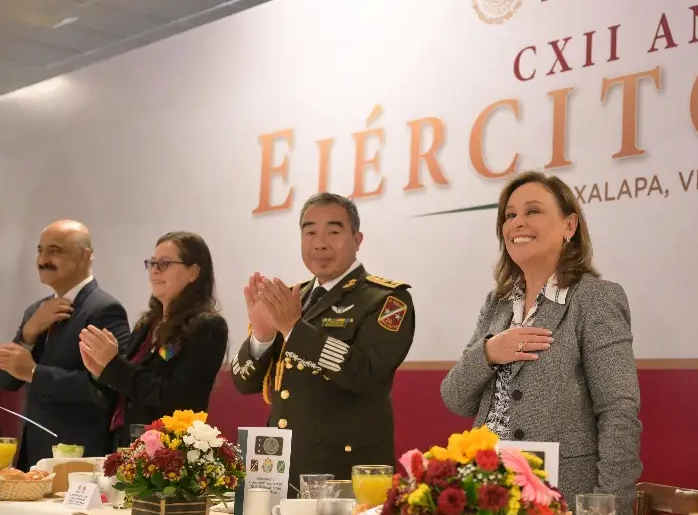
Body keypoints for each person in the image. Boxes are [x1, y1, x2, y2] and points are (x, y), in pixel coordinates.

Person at [441, 171, 642, 515]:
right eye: (509, 214)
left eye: (533, 211)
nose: (517, 222)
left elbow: (619, 414)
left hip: (561, 503)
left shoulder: (595, 299)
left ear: (569, 225)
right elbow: (455, 398)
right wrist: (489, 352)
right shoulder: (498, 304)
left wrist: (603, 513)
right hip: (486, 496)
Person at [230, 193, 415, 495]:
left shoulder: (387, 299)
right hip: (280, 471)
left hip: (342, 476)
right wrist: (262, 335)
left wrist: (293, 329)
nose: (319, 243)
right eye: (309, 232)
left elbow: (364, 372)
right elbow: (243, 383)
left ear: (357, 239)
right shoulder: (293, 297)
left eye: (333, 231)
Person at [79, 232, 229, 448]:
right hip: (124, 444)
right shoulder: (146, 325)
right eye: (152, 263)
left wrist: (115, 366)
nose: (155, 270)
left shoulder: (207, 326)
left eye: (165, 263)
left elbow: (181, 396)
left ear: (193, 272)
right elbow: (122, 393)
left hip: (169, 453)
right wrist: (99, 373)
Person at [0, 220, 130, 468]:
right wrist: (27, 335)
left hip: (79, 453)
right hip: (34, 450)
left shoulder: (104, 310)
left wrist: (34, 372)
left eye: (55, 250)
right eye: (40, 250)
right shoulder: (35, 312)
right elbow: (7, 381)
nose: (43, 259)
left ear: (85, 256)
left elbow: (105, 388)